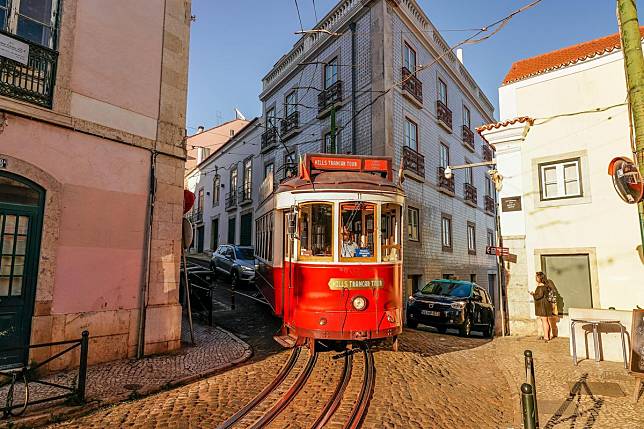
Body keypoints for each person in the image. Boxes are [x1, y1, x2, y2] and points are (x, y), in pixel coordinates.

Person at [530, 272, 553, 342]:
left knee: (544, 321)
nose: (536, 278)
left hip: (542, 305)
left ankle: (546, 337)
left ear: (540, 278)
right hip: (545, 305)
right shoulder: (545, 285)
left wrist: (533, 294)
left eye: (537, 277)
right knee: (545, 321)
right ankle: (547, 336)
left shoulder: (541, 286)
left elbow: (538, 296)